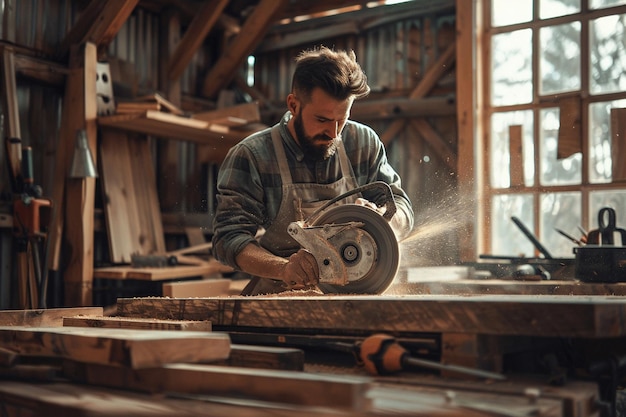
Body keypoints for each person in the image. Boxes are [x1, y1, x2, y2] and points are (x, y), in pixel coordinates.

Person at [212, 46, 414, 295]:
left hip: (354, 294)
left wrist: (383, 219)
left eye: (342, 119)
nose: (333, 133)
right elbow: (228, 239)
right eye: (322, 120)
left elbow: (401, 206)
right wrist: (284, 268)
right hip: (279, 295)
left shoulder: (363, 142)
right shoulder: (253, 156)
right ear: (293, 105)